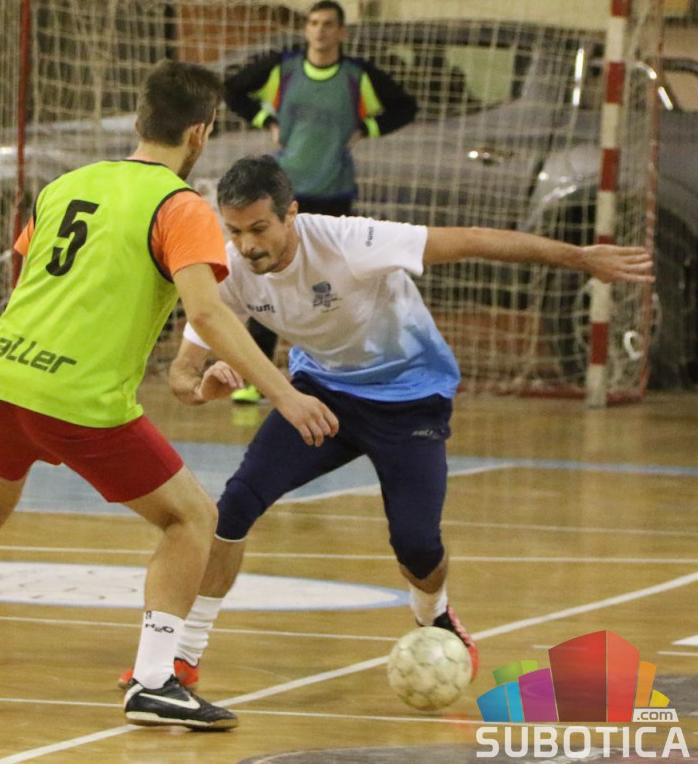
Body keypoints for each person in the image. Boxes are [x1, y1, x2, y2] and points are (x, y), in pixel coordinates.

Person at [0, 62, 339, 731]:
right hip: (76, 395)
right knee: (193, 519)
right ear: (200, 133)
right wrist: (285, 394)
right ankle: (155, 680)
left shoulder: (66, 184)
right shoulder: (180, 206)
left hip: (5, 374)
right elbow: (209, 314)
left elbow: (31, 274)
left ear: (138, 120)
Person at [118, 154, 655, 691]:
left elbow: (473, 239)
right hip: (321, 397)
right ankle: (184, 655)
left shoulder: (352, 242)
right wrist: (204, 384)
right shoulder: (231, 270)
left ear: (291, 215)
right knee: (232, 508)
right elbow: (182, 373)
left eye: (259, 229)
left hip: (411, 399)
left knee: (416, 545)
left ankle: (434, 614)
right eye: (235, 231)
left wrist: (580, 257)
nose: (247, 244)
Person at [224, 0, 417, 404]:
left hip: (334, 194)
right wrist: (266, 120)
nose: (320, 30)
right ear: (306, 29)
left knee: (330, 288)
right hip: (285, 194)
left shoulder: (356, 75)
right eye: (313, 22)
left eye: (328, 24)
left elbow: (406, 106)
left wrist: (367, 128)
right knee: (271, 281)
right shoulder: (284, 68)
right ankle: (257, 380)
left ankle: (339, 374)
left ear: (341, 32)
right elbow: (232, 89)